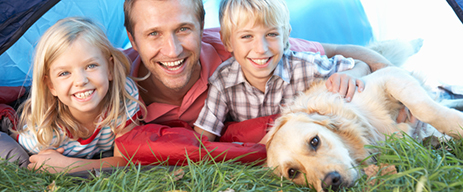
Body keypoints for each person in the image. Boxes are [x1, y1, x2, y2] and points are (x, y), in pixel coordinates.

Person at [122, 0, 391, 128]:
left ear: (202, 27)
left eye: (183, 29)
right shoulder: (112, 80)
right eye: (153, 34)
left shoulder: (244, 50)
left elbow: (340, 51)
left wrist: (378, 81)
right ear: (132, 40)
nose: (172, 50)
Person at [193, 0, 372, 141]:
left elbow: (360, 65)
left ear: (286, 36)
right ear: (228, 42)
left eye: (272, 34)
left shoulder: (304, 67)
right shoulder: (223, 82)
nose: (261, 48)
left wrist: (350, 75)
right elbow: (203, 137)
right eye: (247, 36)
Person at [15, 17, 144, 173]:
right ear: (51, 85)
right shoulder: (41, 132)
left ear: (109, 68)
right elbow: (39, 163)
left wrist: (67, 166)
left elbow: (126, 161)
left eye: (91, 66)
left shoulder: (123, 96)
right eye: (64, 73)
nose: (81, 81)